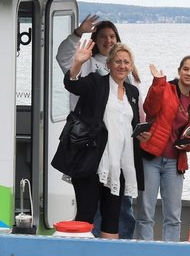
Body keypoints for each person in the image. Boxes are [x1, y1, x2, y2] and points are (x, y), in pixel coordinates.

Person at [54, 15, 137, 238]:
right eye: (103, 37)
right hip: (92, 155)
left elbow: (135, 121)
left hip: (119, 160)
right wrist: (79, 54)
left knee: (115, 217)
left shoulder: (132, 88)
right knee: (87, 215)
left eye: (112, 36)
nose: (108, 40)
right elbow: (71, 81)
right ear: (109, 64)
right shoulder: (93, 75)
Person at [136, 55, 190, 242]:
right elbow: (149, 108)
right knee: (146, 213)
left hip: (175, 163)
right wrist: (158, 82)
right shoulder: (165, 89)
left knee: (173, 216)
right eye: (186, 69)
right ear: (179, 70)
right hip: (151, 158)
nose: (189, 73)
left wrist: (189, 143)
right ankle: (144, 254)